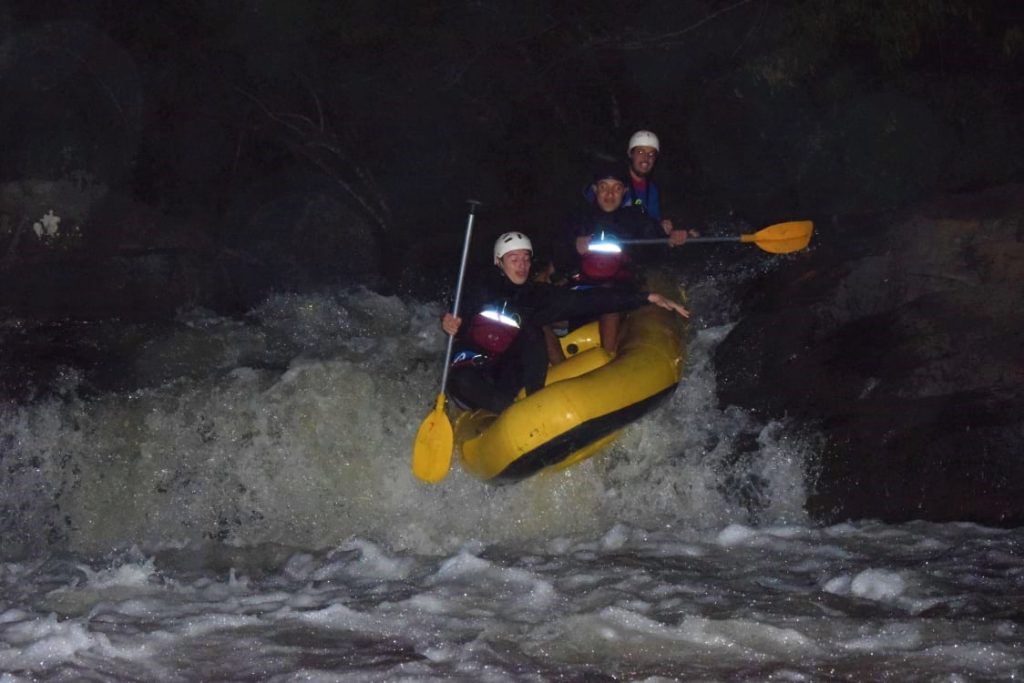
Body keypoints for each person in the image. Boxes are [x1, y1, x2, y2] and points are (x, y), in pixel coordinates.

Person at [441, 231, 689, 415]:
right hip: (471, 375)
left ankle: (532, 404)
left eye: (526, 259)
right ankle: (508, 412)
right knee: (465, 381)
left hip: (505, 375)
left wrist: (646, 297)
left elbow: (589, 300)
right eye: (514, 259)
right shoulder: (479, 288)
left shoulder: (536, 295)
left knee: (532, 331)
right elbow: (457, 311)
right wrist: (449, 322)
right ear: (499, 262)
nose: (522, 266)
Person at [553, 164, 690, 353]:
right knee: (546, 307)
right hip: (583, 289)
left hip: (620, 290)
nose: (610, 195)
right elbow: (557, 255)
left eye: (616, 188)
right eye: (604, 187)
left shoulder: (636, 220)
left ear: (624, 192)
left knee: (609, 297)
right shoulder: (578, 219)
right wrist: (572, 248)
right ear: (595, 189)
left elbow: (659, 250)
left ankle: (609, 357)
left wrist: (674, 238)